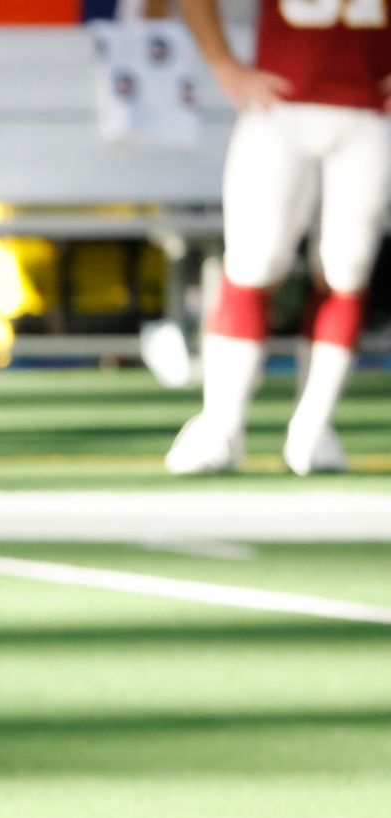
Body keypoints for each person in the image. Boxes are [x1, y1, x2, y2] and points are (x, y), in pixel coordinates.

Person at [166, 0, 391, 477]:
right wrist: (224, 64)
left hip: (368, 111)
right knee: (254, 259)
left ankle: (314, 426)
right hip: (281, 106)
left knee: (347, 267)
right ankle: (220, 425)